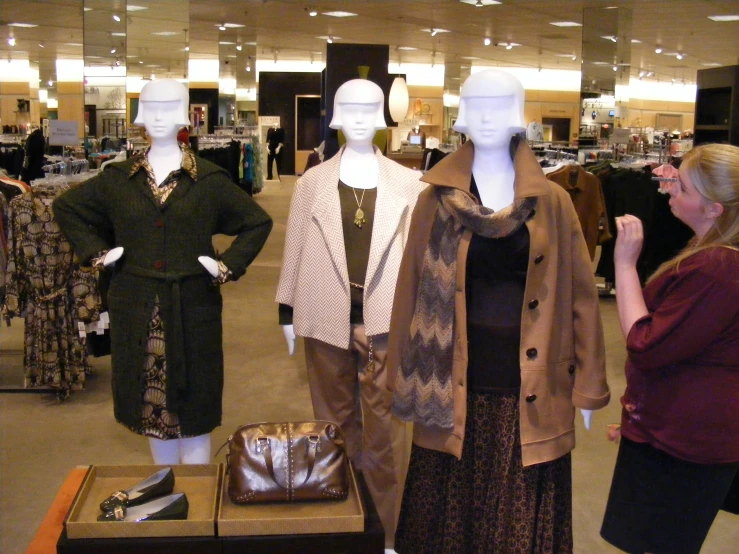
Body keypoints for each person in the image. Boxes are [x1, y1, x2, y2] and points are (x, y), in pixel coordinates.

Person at [386, 69, 610, 553]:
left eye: (499, 104)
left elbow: (580, 299)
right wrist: (396, 373)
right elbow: (408, 291)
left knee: (513, 525)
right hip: (448, 387)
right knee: (448, 522)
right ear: (462, 114)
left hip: (528, 387)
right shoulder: (434, 199)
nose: (487, 116)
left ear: (519, 115)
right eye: (476, 104)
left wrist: (589, 382)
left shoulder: (553, 202)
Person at [54, 79, 272, 465]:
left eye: (168, 108)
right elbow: (66, 207)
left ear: (185, 115)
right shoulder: (117, 178)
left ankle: (198, 495)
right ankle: (167, 487)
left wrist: (227, 267)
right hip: (135, 305)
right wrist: (97, 254)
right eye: (150, 107)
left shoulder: (208, 180)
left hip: (192, 306)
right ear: (139, 116)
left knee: (196, 399)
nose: (158, 116)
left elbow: (257, 222)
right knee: (149, 401)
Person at [276, 78, 426, 550]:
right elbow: (295, 247)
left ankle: (386, 534)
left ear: (382, 117)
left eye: (369, 108)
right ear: (336, 116)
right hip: (325, 316)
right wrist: (286, 310)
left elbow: (421, 256)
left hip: (387, 320)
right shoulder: (313, 182)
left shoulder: (410, 184)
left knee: (387, 434)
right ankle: (345, 528)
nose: (360, 118)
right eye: (349, 108)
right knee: (334, 430)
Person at [600, 143, 739, 554]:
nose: (670, 192)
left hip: (684, 443)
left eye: (683, 187)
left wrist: (624, 264)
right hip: (680, 431)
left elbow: (645, 343)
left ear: (715, 208)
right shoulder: (714, 258)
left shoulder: (718, 267)